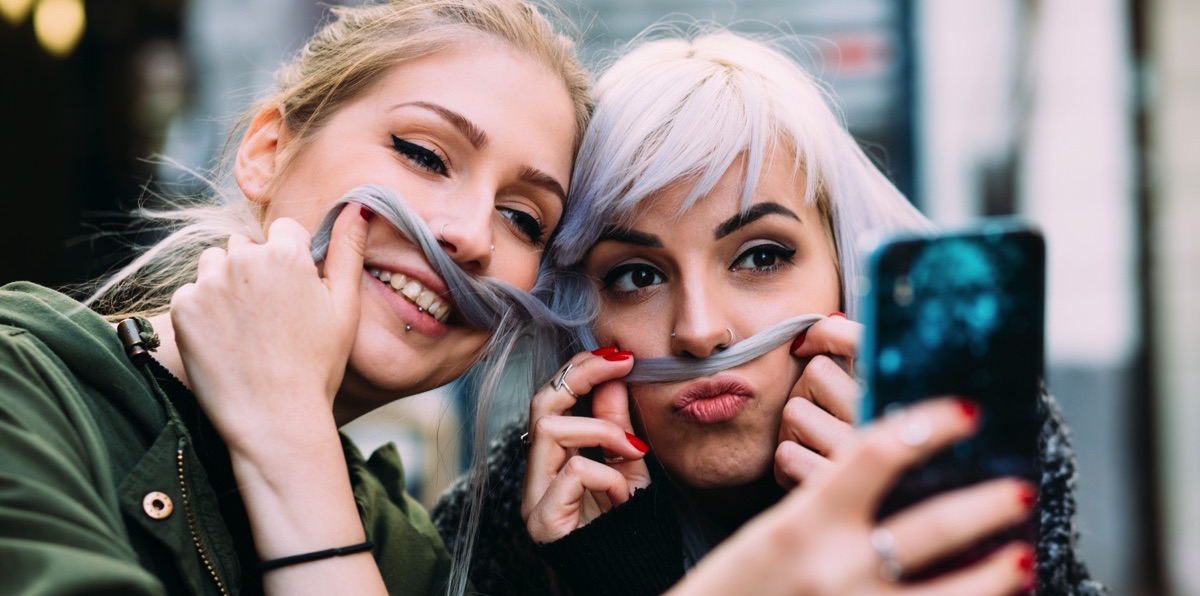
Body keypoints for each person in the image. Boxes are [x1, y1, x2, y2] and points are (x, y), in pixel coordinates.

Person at [431, 28, 1104, 595]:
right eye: (637, 275)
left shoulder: (988, 497)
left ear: (843, 273)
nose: (699, 331)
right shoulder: (473, 552)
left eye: (760, 258)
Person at [0, 0, 591, 594]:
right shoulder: (22, 387)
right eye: (423, 154)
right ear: (269, 152)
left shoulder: (408, 558)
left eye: (522, 219)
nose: (469, 234)